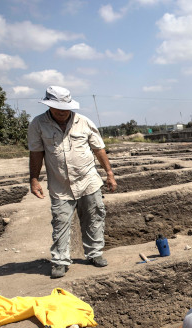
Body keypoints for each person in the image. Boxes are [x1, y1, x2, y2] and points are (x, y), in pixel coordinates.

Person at [28, 86, 117, 279]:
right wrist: (34, 179)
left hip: (88, 181)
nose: (62, 112)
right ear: (49, 106)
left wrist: (109, 173)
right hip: (61, 185)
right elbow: (36, 153)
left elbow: (99, 149)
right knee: (60, 222)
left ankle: (94, 253)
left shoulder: (83, 122)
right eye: (57, 108)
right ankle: (60, 260)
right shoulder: (38, 124)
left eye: (65, 108)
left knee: (94, 217)